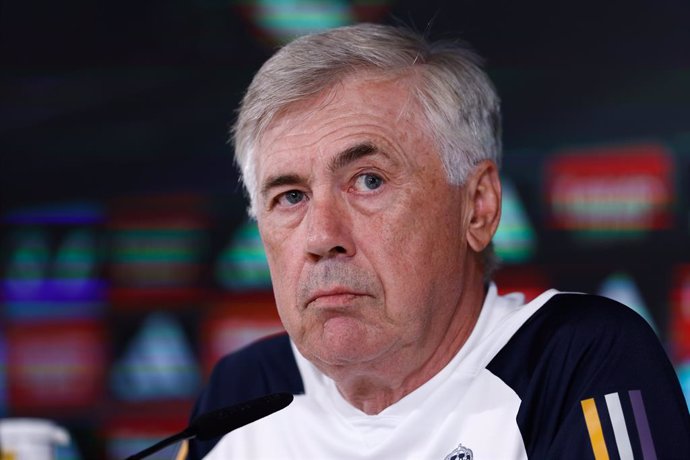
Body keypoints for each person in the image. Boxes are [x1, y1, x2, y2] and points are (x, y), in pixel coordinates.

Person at [186, 23, 690, 459]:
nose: (322, 237)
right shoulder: (243, 392)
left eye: (369, 181)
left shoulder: (575, 360)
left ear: (478, 207)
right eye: (291, 196)